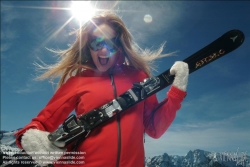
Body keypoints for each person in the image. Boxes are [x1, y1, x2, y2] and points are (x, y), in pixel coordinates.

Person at [15, 12, 189, 167]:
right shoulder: (78, 82)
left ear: (119, 46)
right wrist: (31, 138)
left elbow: (154, 128)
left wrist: (176, 93)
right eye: (97, 42)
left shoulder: (138, 76)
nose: (104, 49)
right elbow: (41, 123)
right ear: (88, 47)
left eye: (110, 43)